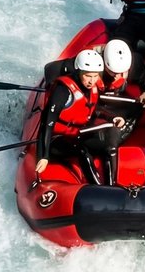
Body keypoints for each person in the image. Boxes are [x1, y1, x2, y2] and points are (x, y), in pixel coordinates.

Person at [34, 48, 123, 185]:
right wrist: (43, 156)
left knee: (108, 146)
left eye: (95, 76)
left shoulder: (93, 88)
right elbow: (47, 123)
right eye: (88, 76)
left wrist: (111, 118)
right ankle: (99, 188)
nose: (91, 81)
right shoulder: (63, 90)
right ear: (79, 71)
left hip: (78, 134)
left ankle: (112, 186)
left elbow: (94, 110)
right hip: (56, 139)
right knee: (82, 151)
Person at [84, 39, 145, 185]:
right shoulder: (94, 64)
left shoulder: (134, 62)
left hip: (119, 102)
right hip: (99, 104)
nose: (118, 77)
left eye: (121, 73)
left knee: (137, 108)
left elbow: (144, 79)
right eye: (113, 73)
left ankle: (115, 139)